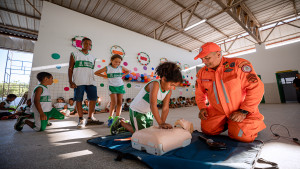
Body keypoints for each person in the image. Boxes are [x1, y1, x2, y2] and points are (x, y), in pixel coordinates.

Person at [194, 42, 266, 143]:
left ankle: (244, 124)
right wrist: (202, 108)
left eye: (207, 58)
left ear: (218, 54)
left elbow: (256, 88)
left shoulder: (238, 65)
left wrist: (244, 111)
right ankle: (226, 123)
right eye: (202, 59)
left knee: (243, 136)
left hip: (241, 110)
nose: (204, 62)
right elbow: (199, 93)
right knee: (208, 130)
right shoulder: (202, 73)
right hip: (217, 111)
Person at [110, 62, 183, 135]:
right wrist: (160, 123)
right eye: (172, 85)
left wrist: (162, 123)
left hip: (148, 112)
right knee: (140, 133)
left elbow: (165, 108)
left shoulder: (168, 91)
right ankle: (121, 122)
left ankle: (131, 125)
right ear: (163, 79)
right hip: (137, 110)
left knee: (149, 131)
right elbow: (153, 105)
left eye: (175, 86)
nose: (173, 88)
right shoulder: (155, 84)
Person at [68, 37, 103, 127]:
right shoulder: (74, 54)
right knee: (78, 99)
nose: (88, 45)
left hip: (91, 81)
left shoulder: (93, 58)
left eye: (90, 44)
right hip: (79, 81)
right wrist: (70, 81)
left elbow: (91, 70)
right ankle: (80, 119)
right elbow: (70, 68)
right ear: (81, 44)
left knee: (93, 99)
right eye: (86, 43)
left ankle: (90, 117)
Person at [94, 54, 129, 127]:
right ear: (111, 60)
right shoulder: (107, 68)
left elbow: (128, 71)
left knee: (120, 102)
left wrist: (122, 76)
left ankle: (117, 118)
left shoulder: (121, 67)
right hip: (112, 86)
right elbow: (96, 72)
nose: (117, 63)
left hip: (120, 86)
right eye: (116, 61)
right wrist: (105, 76)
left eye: (119, 62)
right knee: (114, 102)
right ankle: (110, 118)